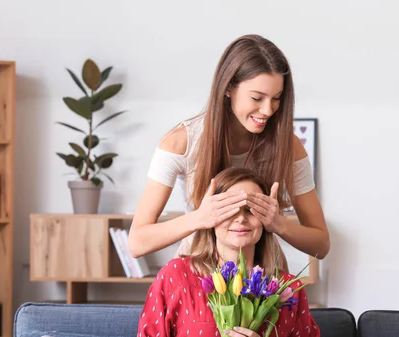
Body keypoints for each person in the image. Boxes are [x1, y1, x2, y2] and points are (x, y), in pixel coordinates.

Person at [128, 34, 330, 261]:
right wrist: (200, 218)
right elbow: (137, 243)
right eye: (257, 97)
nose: (268, 110)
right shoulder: (181, 142)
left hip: (261, 283)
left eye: (277, 98)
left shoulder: (288, 146)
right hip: (198, 277)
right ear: (228, 88)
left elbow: (321, 245)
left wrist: (278, 223)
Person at [128, 167, 321, 337]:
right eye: (228, 209)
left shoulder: (286, 289)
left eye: (251, 210)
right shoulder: (177, 275)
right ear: (210, 216)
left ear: (266, 220)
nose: (240, 218)